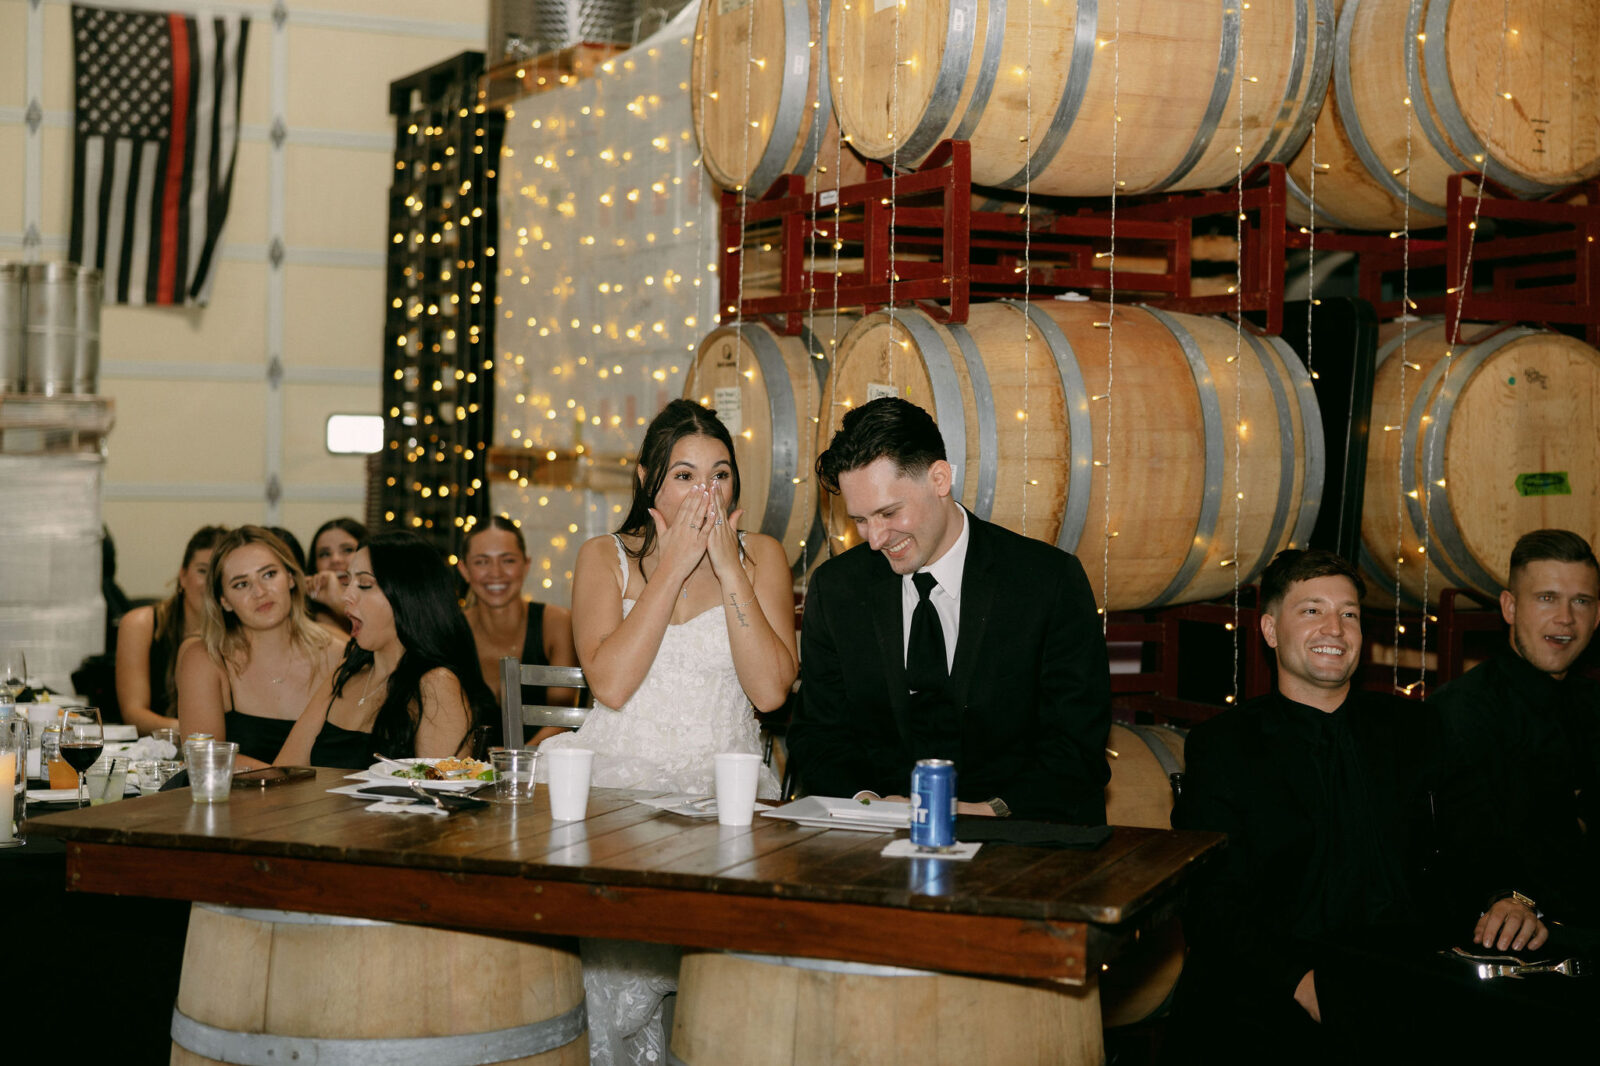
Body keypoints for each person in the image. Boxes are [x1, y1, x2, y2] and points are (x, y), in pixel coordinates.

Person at [539, 398, 797, 1066]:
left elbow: (771, 691)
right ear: (651, 482)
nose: (703, 490)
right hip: (617, 785)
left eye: (719, 474)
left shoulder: (764, 555)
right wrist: (675, 566)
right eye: (684, 474)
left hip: (725, 792)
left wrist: (728, 564)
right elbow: (613, 685)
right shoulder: (604, 558)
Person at [1166, 549, 1467, 1063]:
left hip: (1402, 973)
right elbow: (1209, 902)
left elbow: (1461, 848)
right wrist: (1299, 984)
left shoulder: (1414, 728)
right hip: (1271, 983)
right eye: (1312, 611)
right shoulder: (1224, 744)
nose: (1335, 627)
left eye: (1348, 613)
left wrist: (1509, 898)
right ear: (1269, 631)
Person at [785, 397, 1110, 822]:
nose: (876, 538)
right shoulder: (837, 589)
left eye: (889, 512)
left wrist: (981, 812)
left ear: (939, 479)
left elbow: (1076, 747)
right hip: (879, 845)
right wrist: (869, 803)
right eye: (861, 520)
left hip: (1022, 843)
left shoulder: (1047, 582)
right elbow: (818, 736)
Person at [1431, 529, 1600, 945]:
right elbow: (1466, 838)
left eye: (1581, 601)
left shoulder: (1594, 703)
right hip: (1517, 940)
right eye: (1546, 598)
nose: (1565, 618)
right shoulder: (1461, 709)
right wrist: (1507, 897)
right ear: (1509, 607)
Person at [276, 530, 495, 769]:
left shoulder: (435, 683)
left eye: (365, 584)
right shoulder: (347, 671)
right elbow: (286, 770)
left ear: (406, 595)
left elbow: (440, 793)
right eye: (349, 582)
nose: (347, 595)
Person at [175, 527, 344, 767]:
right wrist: (288, 783)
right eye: (241, 584)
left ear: (291, 577)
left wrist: (342, 605)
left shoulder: (337, 653)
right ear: (224, 601)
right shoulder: (205, 659)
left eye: (268, 574)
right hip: (232, 803)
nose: (260, 592)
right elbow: (203, 759)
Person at [458, 515, 579, 746]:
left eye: (508, 560)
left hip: (539, 770)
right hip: (462, 773)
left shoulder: (556, 623)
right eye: (482, 562)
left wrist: (512, 764)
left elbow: (562, 718)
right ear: (464, 570)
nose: (496, 573)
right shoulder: (451, 629)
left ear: (526, 565)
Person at [114, 525, 228, 735]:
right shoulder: (140, 624)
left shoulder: (242, 631)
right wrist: (195, 732)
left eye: (220, 574)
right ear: (182, 576)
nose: (211, 583)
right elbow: (133, 713)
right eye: (203, 571)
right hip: (153, 752)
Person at [304, 517, 366, 633]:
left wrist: (340, 604)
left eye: (347, 550)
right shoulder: (306, 622)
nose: (335, 560)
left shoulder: (389, 608)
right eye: (325, 554)